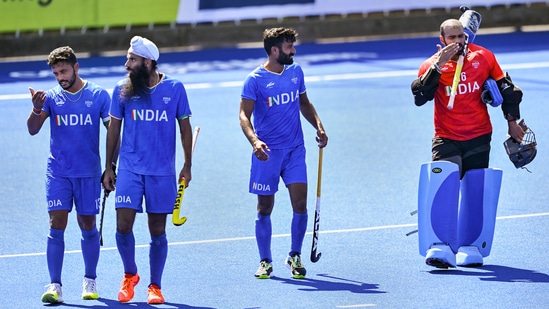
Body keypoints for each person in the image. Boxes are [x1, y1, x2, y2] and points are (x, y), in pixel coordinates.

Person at [411, 17, 525, 268]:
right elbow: (420, 96)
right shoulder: (430, 65)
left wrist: (512, 121)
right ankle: (441, 245)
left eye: (461, 36)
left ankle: (469, 245)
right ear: (442, 41)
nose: (458, 41)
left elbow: (507, 89)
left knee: (474, 189)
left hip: (479, 135)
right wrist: (438, 67)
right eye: (452, 38)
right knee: (445, 184)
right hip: (446, 135)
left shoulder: (483, 57)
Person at [101, 36, 193, 304]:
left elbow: (185, 128)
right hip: (129, 169)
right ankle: (130, 275)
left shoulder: (175, 89)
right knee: (122, 225)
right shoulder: (122, 89)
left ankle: (155, 286)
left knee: (157, 231)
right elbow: (114, 131)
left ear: (148, 62)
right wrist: (109, 167)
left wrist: (187, 165)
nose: (126, 63)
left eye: (132, 59)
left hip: (161, 172)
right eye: (128, 57)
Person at [239, 27, 328, 279]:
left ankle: (294, 255)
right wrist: (255, 141)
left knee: (300, 205)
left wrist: (319, 125)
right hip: (266, 153)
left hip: (295, 151)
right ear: (275, 50)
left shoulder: (295, 72)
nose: (294, 51)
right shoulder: (254, 80)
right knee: (264, 207)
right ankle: (265, 260)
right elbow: (243, 116)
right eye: (289, 47)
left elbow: (304, 102)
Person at [27, 46, 112, 303]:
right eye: (55, 73)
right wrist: (36, 109)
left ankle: (90, 280)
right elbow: (32, 129)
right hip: (58, 173)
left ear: (76, 67)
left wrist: (111, 167)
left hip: (88, 174)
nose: (60, 77)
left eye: (63, 70)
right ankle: (55, 286)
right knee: (56, 225)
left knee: (87, 226)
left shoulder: (98, 95)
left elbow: (114, 132)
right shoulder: (51, 98)